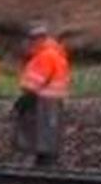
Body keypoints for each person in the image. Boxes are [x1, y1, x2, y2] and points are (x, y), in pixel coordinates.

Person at [14, 24, 71, 167]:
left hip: (42, 99)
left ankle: (43, 163)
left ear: (39, 39)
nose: (29, 43)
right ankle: (48, 162)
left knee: (40, 132)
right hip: (53, 99)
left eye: (31, 39)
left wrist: (24, 97)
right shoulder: (56, 53)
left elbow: (35, 82)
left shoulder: (45, 56)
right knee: (49, 132)